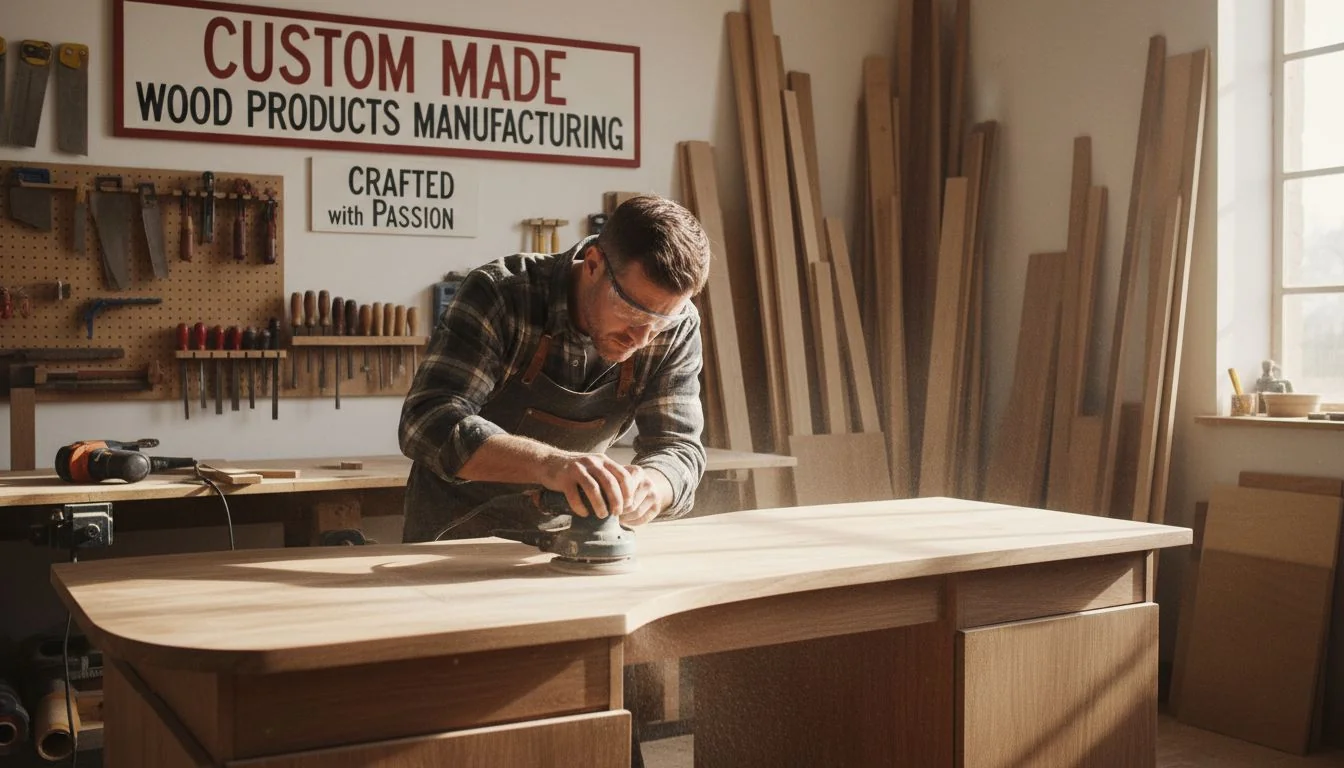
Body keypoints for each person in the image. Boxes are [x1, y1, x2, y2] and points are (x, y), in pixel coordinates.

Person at [398, 194, 711, 544]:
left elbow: (679, 447)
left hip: (570, 540)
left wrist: (655, 484)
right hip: (454, 537)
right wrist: (550, 465)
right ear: (593, 264)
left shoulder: (677, 326)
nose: (643, 337)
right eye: (633, 313)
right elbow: (427, 421)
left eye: (662, 321)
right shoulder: (502, 294)